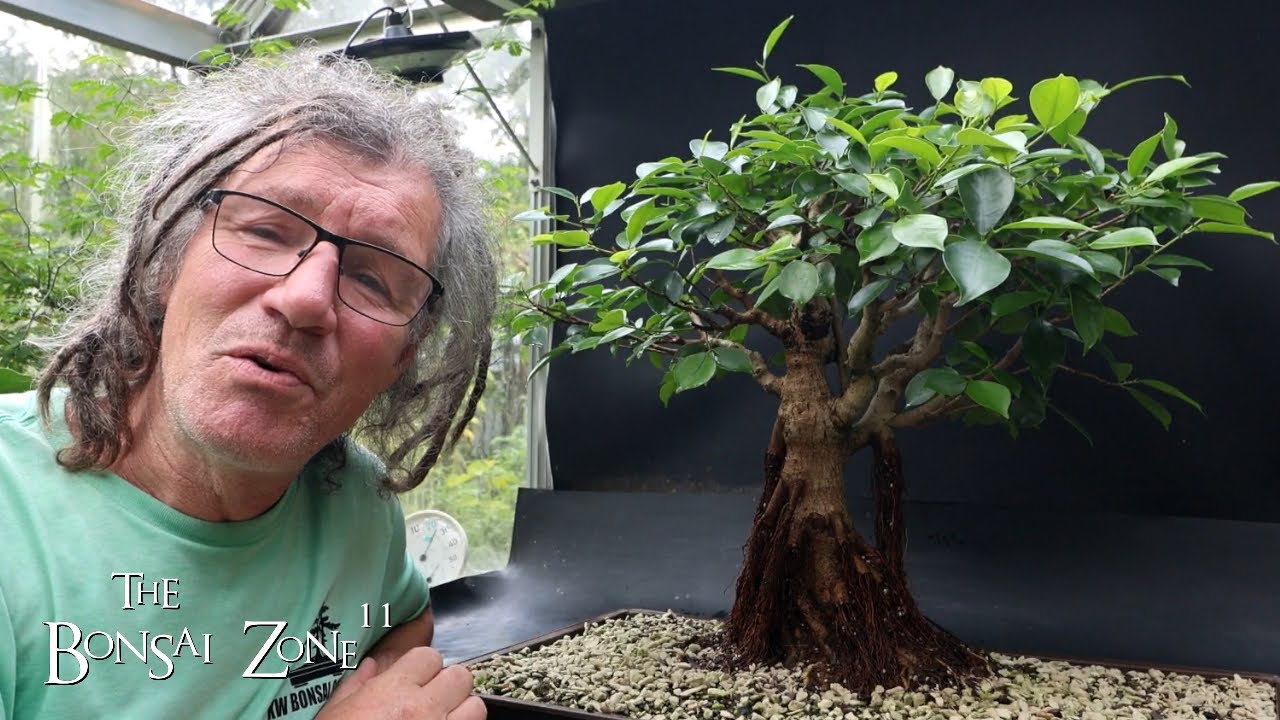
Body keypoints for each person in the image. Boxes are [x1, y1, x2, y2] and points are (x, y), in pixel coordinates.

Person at [0, 48, 496, 719]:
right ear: (165, 258)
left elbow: (404, 625)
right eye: (266, 229)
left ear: (402, 357)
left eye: (373, 278)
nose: (306, 299)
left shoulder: (351, 499)